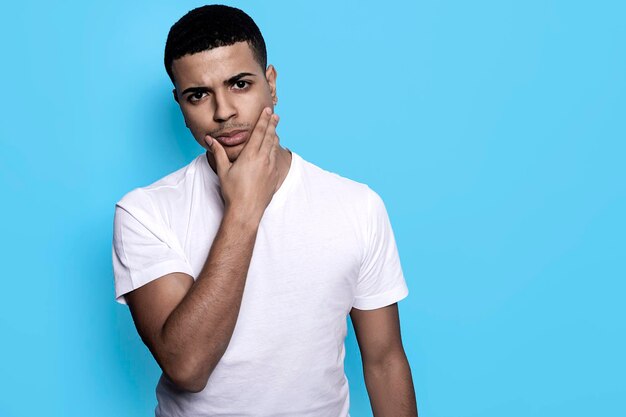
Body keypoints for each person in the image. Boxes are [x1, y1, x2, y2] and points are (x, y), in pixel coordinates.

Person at [112, 4, 418, 417]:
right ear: (180, 106)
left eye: (239, 84)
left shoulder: (357, 206)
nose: (223, 112)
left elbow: (384, 361)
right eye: (198, 95)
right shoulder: (145, 213)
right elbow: (187, 367)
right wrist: (243, 210)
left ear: (271, 84)